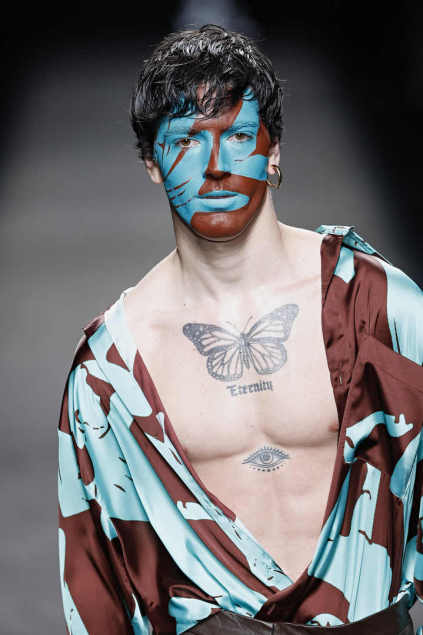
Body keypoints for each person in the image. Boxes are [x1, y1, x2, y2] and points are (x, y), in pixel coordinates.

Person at [57, 24, 423, 635]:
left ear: (273, 152)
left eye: (239, 137)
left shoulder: (377, 307)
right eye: (185, 142)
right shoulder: (110, 369)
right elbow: (97, 584)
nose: (216, 167)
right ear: (152, 163)